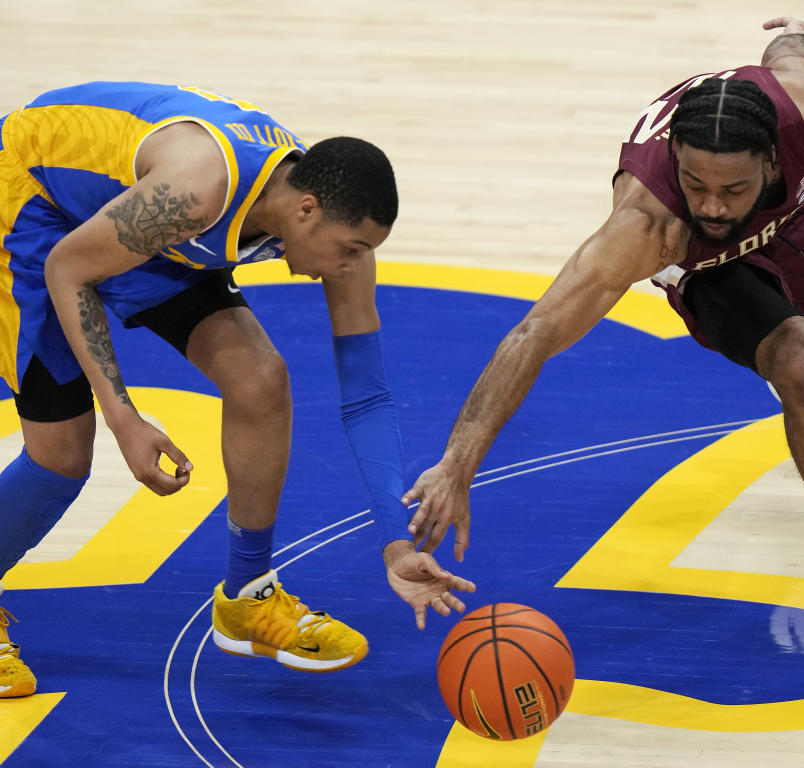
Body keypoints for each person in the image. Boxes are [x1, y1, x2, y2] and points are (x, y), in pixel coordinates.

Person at [400, 18, 804, 706]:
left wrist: (797, 31)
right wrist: (457, 462)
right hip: (706, 270)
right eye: (695, 182)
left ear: (774, 159)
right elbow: (534, 334)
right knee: (799, 364)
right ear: (675, 159)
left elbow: (788, 55)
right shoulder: (650, 225)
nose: (712, 204)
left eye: (732, 189)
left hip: (803, 228)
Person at [0, 82, 474, 698]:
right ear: (306, 211)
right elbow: (68, 268)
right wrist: (126, 419)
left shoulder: (327, 219)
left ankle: (248, 599)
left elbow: (366, 396)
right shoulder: (194, 194)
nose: (350, 266)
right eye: (348, 250)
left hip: (128, 211)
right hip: (30, 198)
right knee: (61, 456)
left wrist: (393, 541)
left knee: (260, 380)